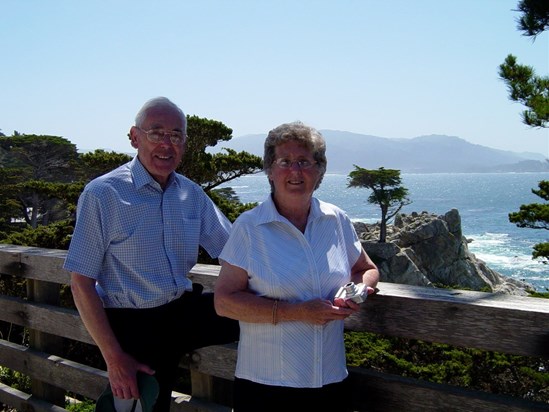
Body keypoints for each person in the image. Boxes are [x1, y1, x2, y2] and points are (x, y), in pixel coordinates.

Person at [64, 96, 239, 412]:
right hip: (132, 324)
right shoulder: (104, 194)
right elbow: (81, 283)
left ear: (185, 143)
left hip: (179, 310)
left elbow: (236, 251)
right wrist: (114, 358)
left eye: (176, 135)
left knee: (260, 315)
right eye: (156, 133)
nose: (167, 144)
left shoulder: (190, 194)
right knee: (145, 405)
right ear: (134, 137)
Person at [214, 121, 380, 411]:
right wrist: (298, 313)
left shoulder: (335, 219)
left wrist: (359, 292)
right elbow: (224, 302)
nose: (295, 171)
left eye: (305, 161)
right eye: (285, 161)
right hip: (266, 386)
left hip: (329, 380)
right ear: (270, 169)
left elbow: (366, 268)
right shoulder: (250, 228)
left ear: (319, 170)